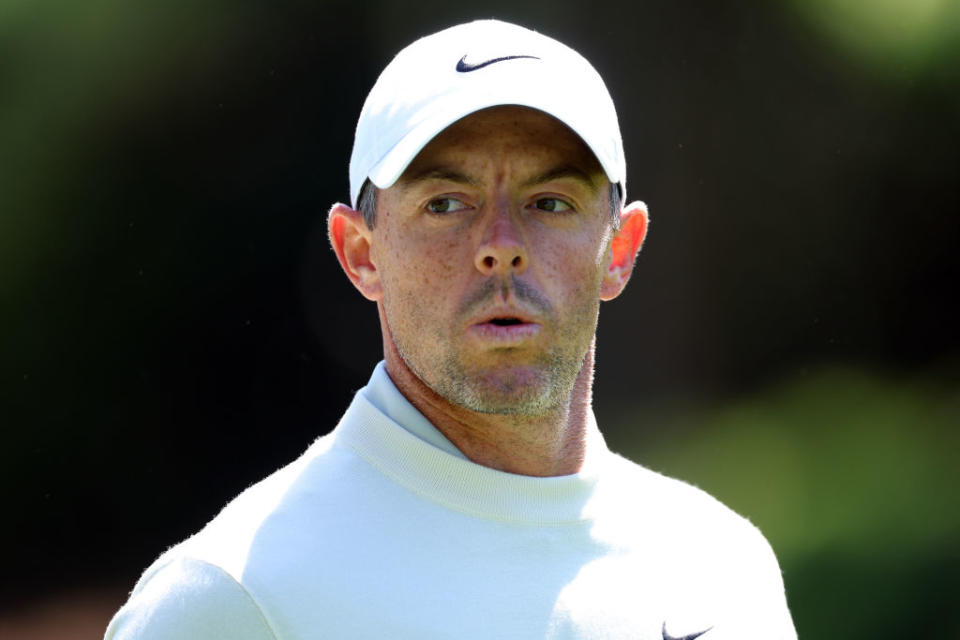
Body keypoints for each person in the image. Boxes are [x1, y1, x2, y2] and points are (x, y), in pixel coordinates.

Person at [105, 19, 796, 639]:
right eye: (446, 203)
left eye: (549, 201)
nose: (499, 243)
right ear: (361, 253)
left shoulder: (723, 569)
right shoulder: (235, 598)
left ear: (619, 250)